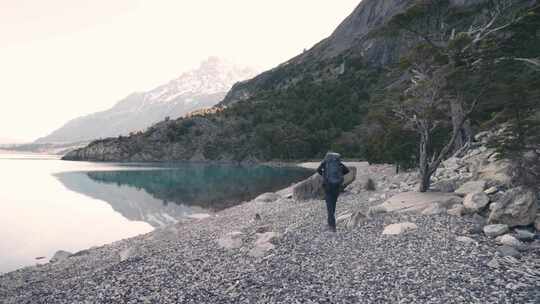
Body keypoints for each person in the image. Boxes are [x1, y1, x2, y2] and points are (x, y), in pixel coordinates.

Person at [317, 152, 350, 232]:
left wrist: (324, 175)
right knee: (333, 205)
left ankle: (332, 226)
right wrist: (339, 176)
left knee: (329, 207)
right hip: (337, 187)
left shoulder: (325, 163)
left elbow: (318, 170)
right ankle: (330, 223)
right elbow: (347, 171)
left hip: (327, 186)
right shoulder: (338, 163)